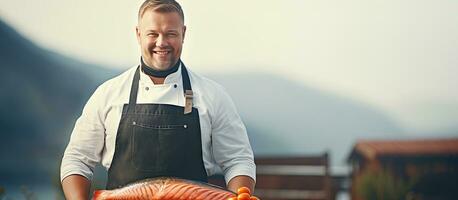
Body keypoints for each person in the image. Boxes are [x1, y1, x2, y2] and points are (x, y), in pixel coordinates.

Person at [60, 0, 256, 199]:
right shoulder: (108, 94)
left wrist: (240, 195)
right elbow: (77, 160)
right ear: (138, 34)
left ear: (183, 34)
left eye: (170, 33)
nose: (161, 42)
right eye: (152, 34)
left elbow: (238, 160)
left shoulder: (213, 95)